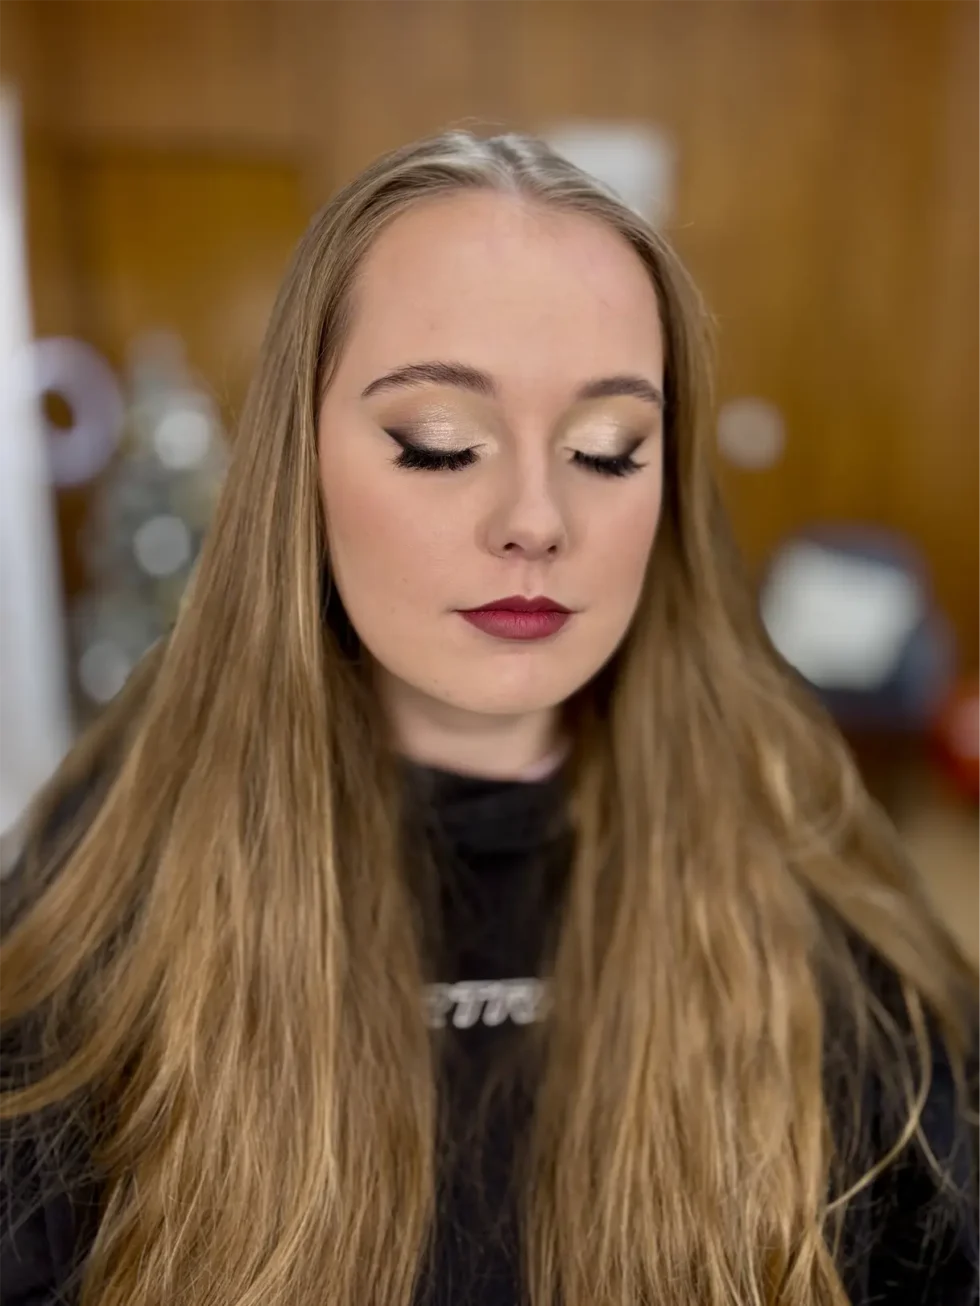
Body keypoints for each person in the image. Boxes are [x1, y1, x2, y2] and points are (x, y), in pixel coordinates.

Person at [0, 130, 976, 1306]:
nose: (535, 518)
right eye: (440, 445)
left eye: (606, 451)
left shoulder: (817, 886)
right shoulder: (98, 893)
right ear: (298, 464)